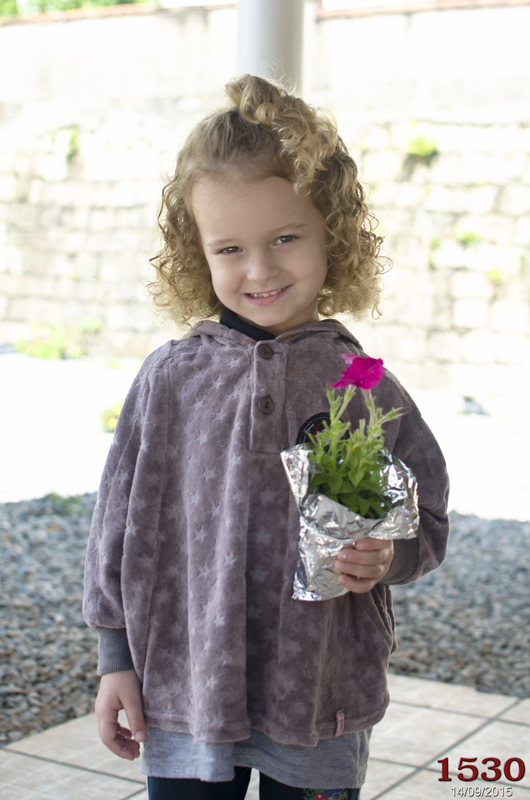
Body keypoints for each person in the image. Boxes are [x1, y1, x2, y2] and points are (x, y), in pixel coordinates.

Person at [83, 74, 449, 800]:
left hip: (318, 698)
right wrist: (114, 659)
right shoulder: (169, 380)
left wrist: (389, 556)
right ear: (198, 253)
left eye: (285, 238)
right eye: (229, 248)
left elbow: (425, 513)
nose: (260, 269)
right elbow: (115, 530)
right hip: (182, 692)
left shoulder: (362, 382)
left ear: (331, 232)